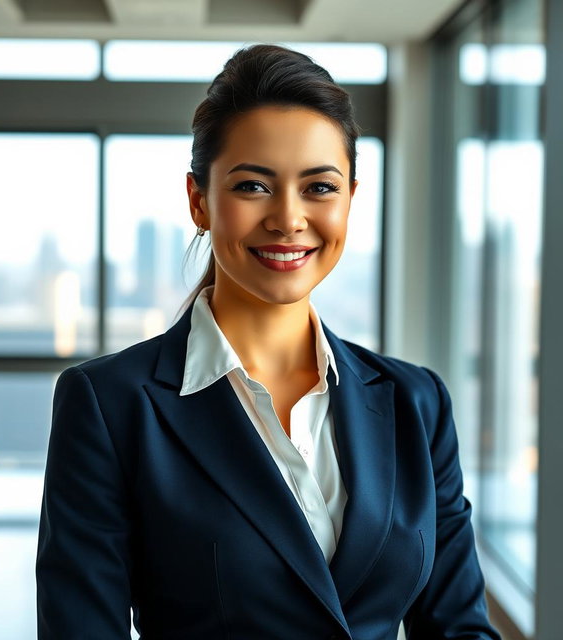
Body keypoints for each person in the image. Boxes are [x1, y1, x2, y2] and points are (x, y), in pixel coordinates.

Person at [36, 44, 501, 640]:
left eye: (319, 187)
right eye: (254, 186)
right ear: (199, 200)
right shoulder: (109, 405)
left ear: (351, 201)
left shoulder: (417, 402)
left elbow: (461, 627)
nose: (288, 218)